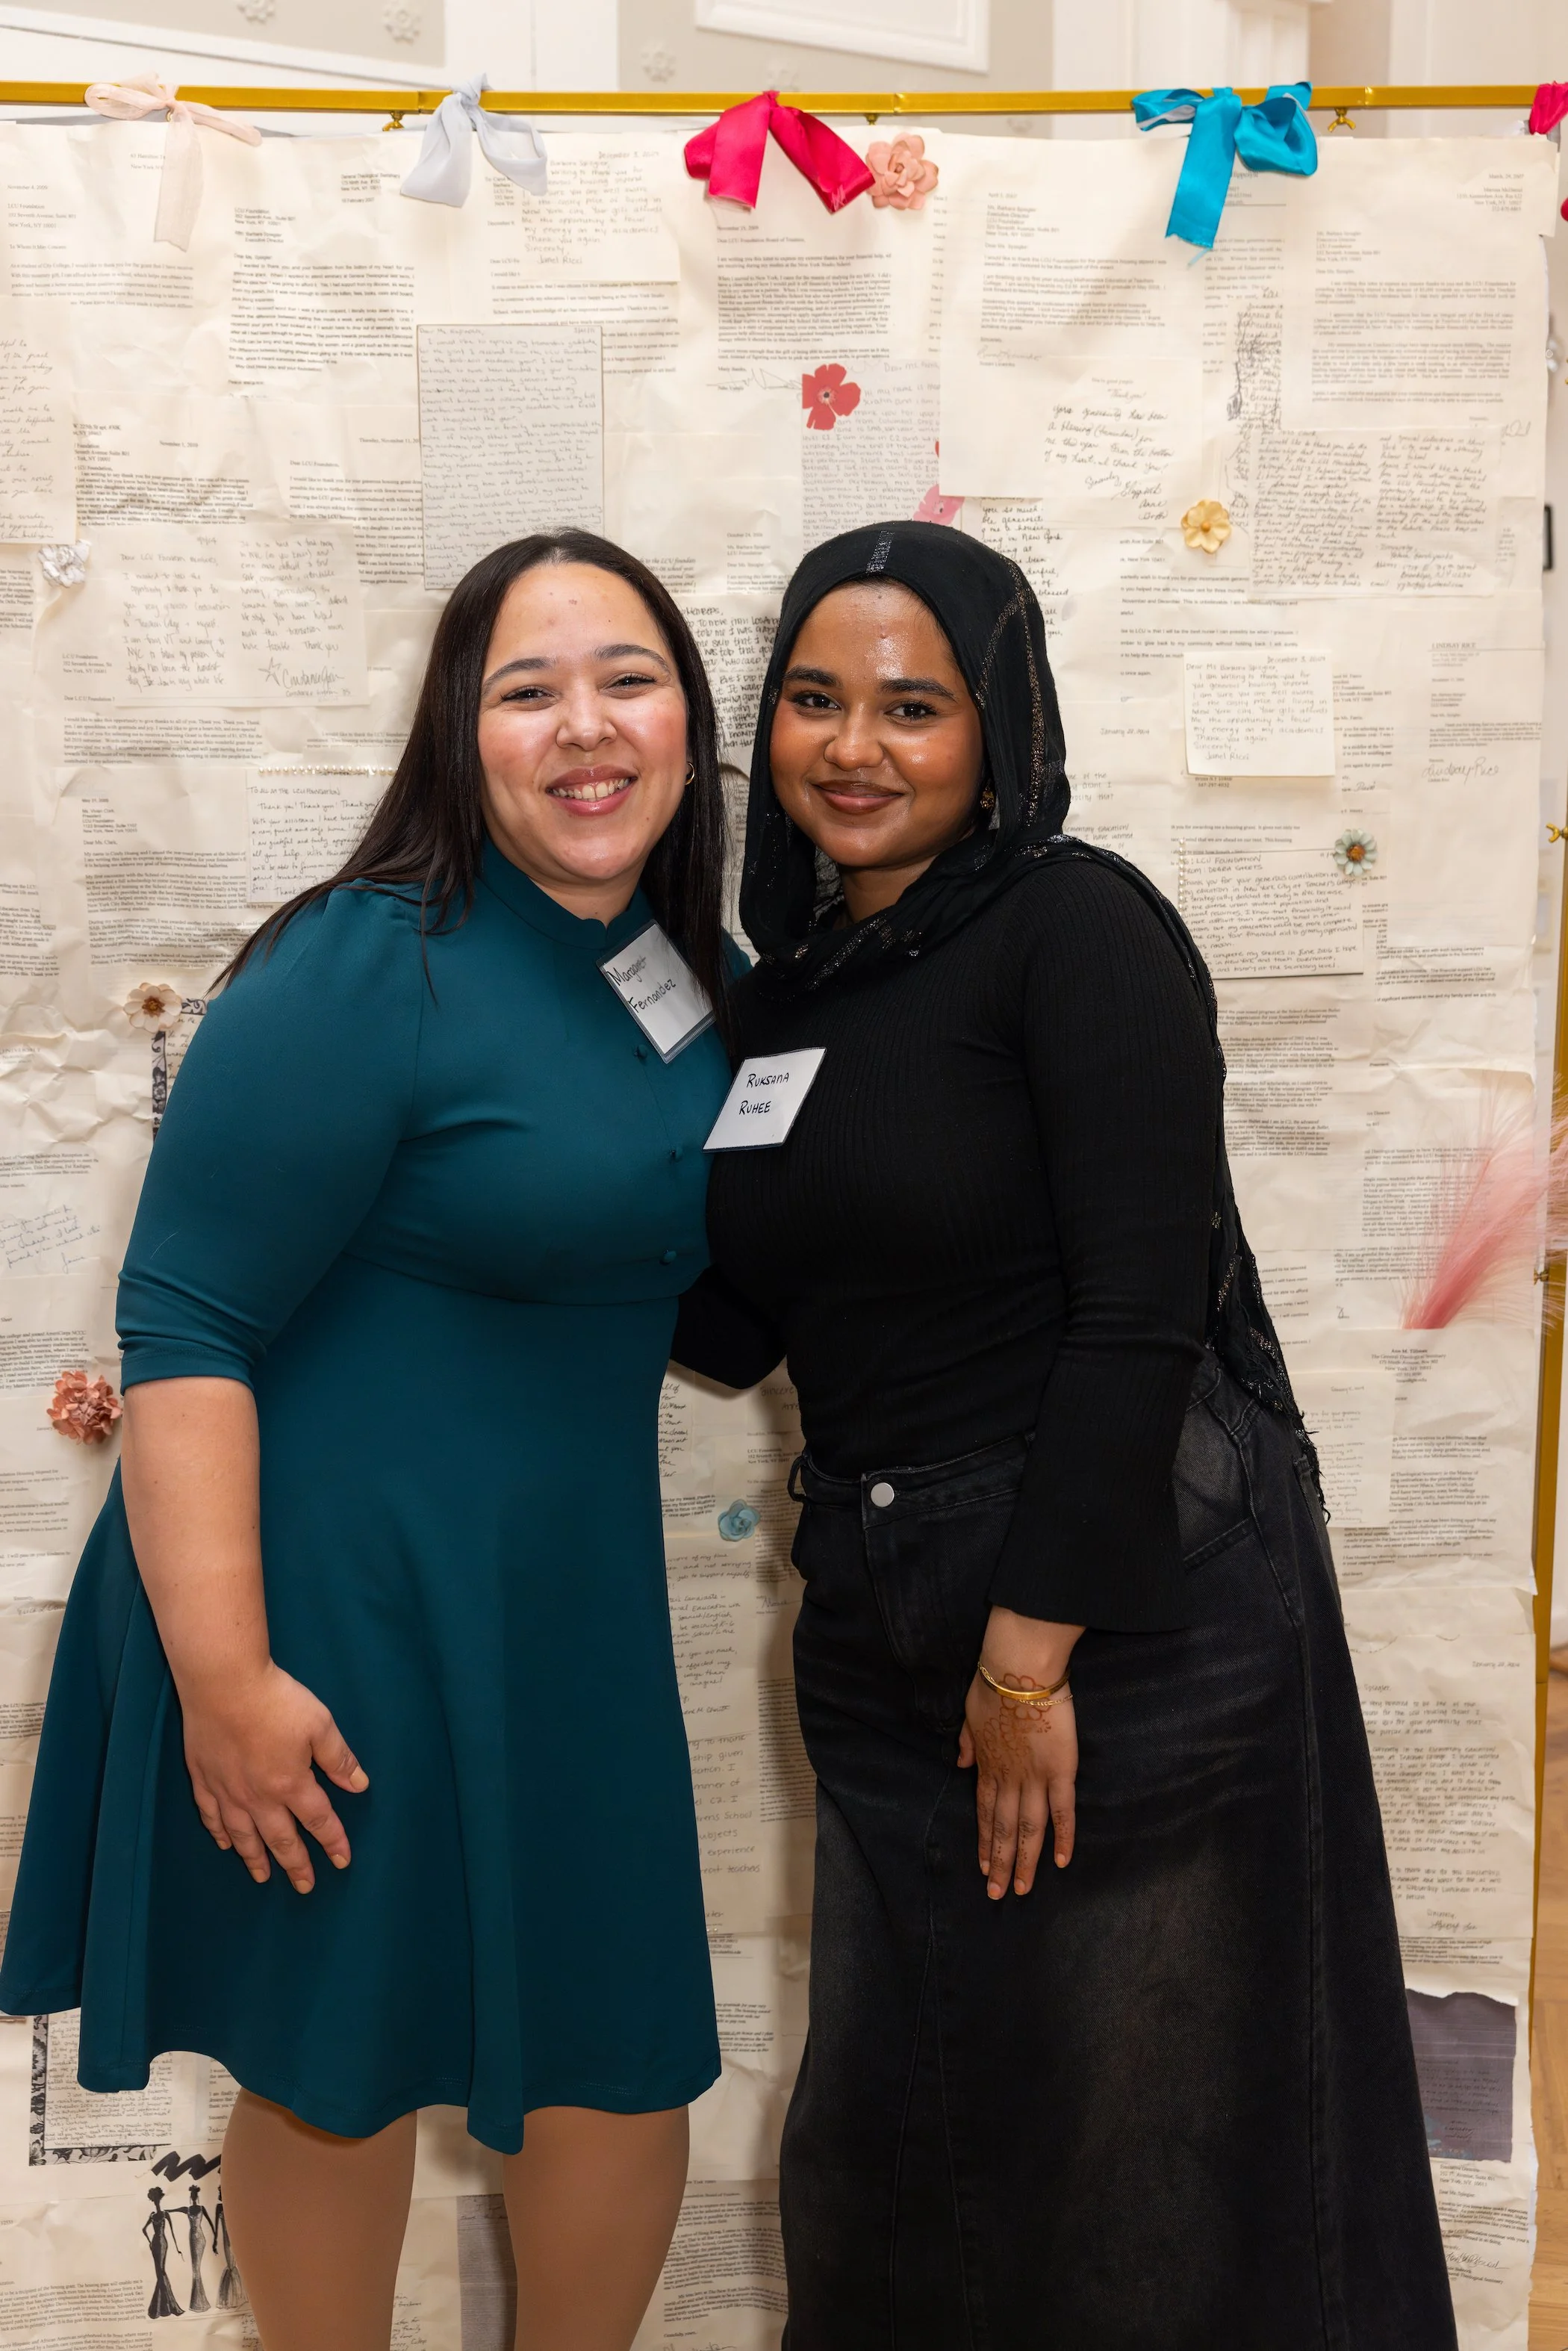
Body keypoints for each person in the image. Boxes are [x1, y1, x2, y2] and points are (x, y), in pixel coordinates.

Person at [672, 521, 1456, 2350]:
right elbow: (738, 1325)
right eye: (812, 698)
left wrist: (1030, 1660)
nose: (852, 746)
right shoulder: (781, 998)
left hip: (1125, 1626)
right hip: (876, 1620)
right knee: (909, 2150)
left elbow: (1140, 1312)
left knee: (1151, 2178)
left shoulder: (1079, 925)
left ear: (1001, 732)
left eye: (912, 706)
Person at [1, 529, 739, 2351]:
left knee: (623, 2052)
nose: (587, 724)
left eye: (628, 677)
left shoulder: (693, 971)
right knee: (339, 2057)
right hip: (317, 1599)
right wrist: (226, 1674)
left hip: (561, 1607)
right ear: (457, 729)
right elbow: (186, 1323)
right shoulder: (365, 958)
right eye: (528, 686)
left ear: (690, 719)